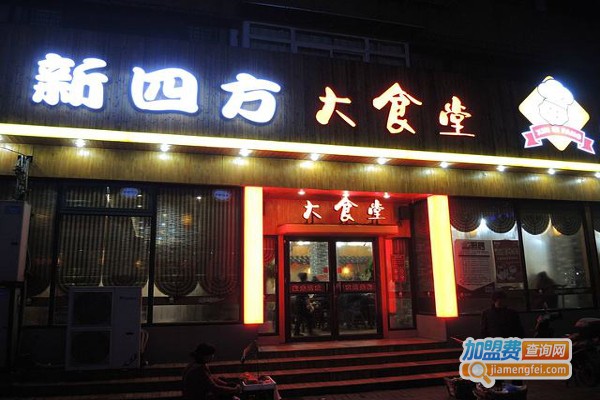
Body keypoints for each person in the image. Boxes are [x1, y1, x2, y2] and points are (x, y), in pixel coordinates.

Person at [294, 272, 314, 336]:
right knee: (308, 317)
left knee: (299, 318)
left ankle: (296, 332)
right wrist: (309, 305)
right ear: (305, 277)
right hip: (302, 303)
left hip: (298, 303)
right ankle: (310, 331)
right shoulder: (306, 284)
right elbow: (305, 296)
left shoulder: (299, 284)